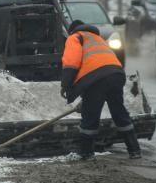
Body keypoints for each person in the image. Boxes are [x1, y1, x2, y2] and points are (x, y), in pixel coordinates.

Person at [61, 19, 142, 159]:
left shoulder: (75, 37)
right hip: (116, 74)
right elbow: (95, 63)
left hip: (97, 78)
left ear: (72, 30)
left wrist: (66, 86)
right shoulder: (98, 38)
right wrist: (85, 96)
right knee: (119, 111)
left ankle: (86, 153)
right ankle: (134, 150)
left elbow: (71, 63)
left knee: (90, 115)